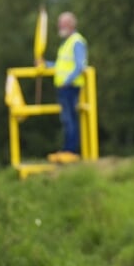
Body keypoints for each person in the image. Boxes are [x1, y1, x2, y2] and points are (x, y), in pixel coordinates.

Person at [38, 11, 87, 163]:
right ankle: (67, 149)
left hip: (70, 87)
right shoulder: (66, 43)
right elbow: (61, 65)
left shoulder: (76, 42)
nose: (59, 26)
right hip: (64, 87)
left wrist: (68, 80)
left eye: (62, 23)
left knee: (69, 119)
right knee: (67, 119)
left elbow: (80, 65)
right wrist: (46, 64)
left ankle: (70, 151)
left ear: (71, 25)